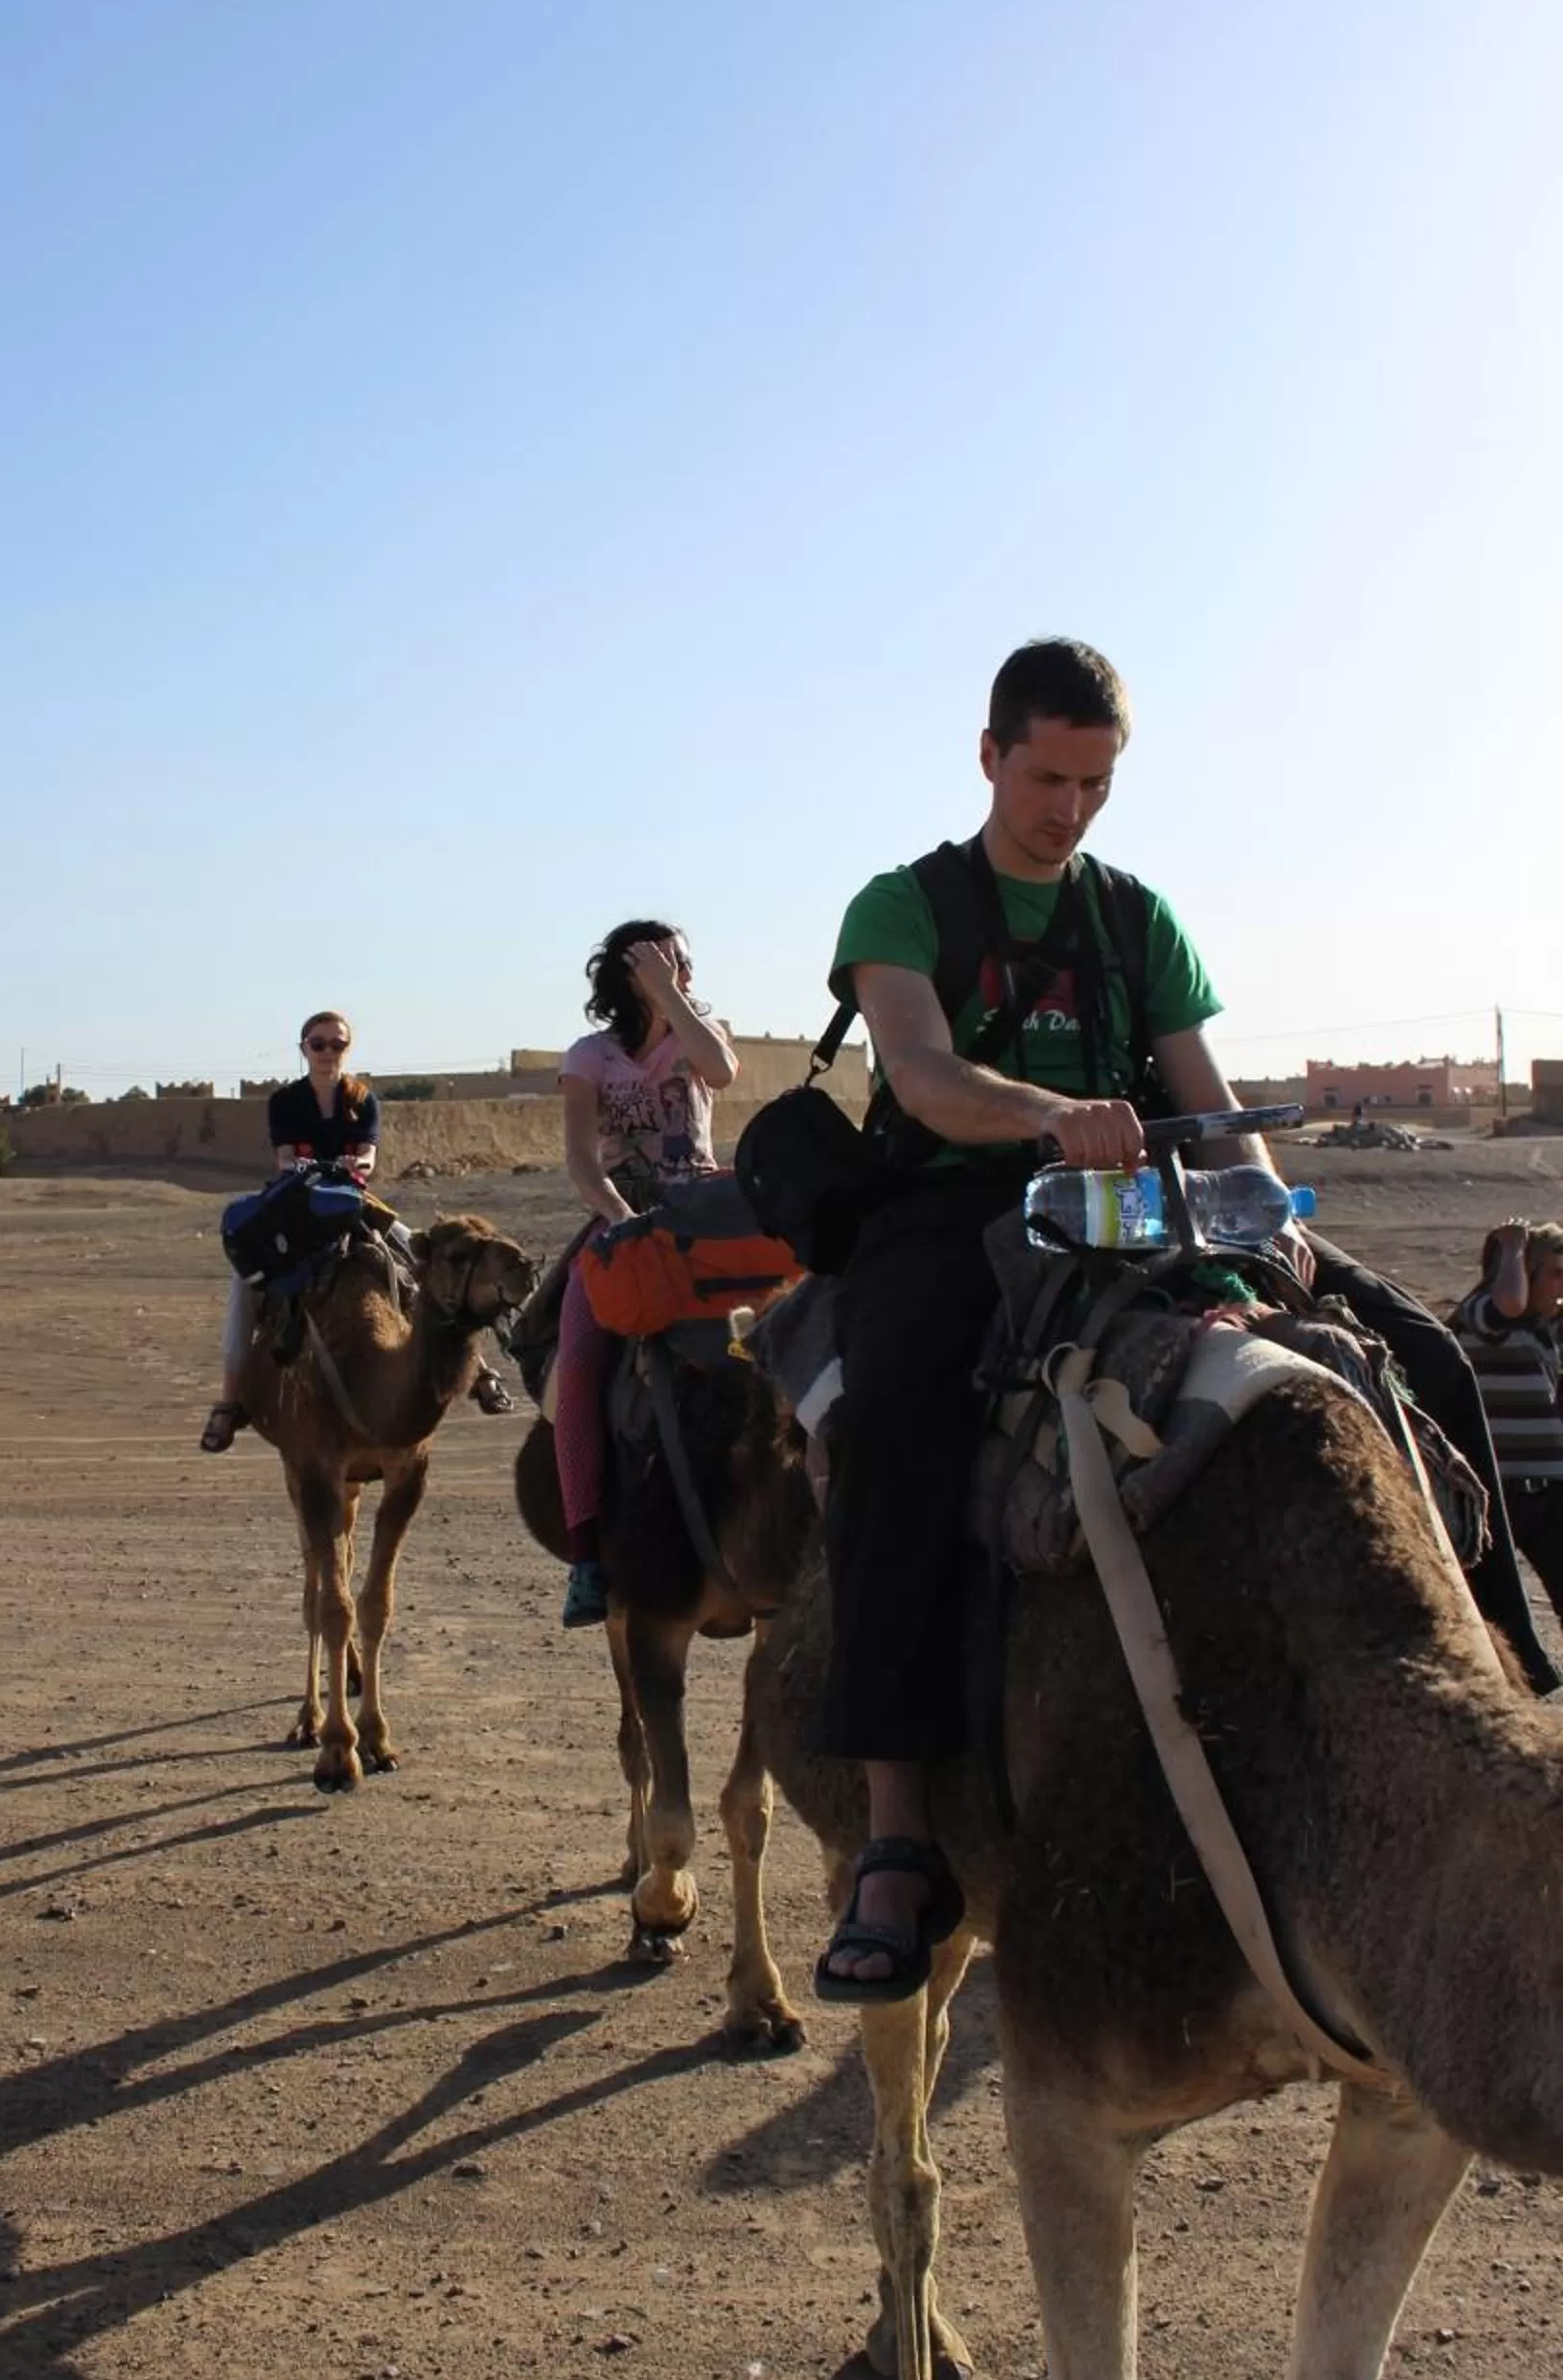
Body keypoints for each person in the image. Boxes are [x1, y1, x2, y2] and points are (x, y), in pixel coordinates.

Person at [814, 634, 1555, 2010]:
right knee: (897, 1426)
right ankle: (899, 1835)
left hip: (1142, 1207)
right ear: (990, 757)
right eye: (1048, 777)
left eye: (1097, 783)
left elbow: (1207, 1104)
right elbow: (917, 1073)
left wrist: (1271, 1230)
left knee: (1426, 1356)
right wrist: (1050, 1116)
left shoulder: (1134, 919)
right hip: (953, 1210)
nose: (1071, 809)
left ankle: (1511, 1721)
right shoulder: (904, 906)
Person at [199, 1012, 513, 1451]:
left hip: (352, 1203)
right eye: (318, 1043)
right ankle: (229, 1401)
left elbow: (367, 1158)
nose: (328, 1052)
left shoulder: (363, 1100)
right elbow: (285, 1160)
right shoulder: (286, 1101)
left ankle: (478, 1371)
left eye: (336, 1044)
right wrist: (316, 1168)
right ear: (304, 1048)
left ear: (347, 1048)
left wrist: (354, 1167)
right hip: (296, 1203)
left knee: (422, 1260)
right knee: (243, 1287)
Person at [553, 921, 739, 1627]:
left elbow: (718, 1072)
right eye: (663, 962)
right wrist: (621, 1217)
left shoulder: (702, 1033)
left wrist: (671, 995)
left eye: (684, 961)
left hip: (703, 1208)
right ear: (624, 973)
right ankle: (585, 1556)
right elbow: (581, 1159)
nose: (681, 971)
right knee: (577, 1367)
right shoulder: (590, 1056)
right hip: (622, 1215)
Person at [1451, 1221, 1563, 1625]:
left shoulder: (1548, 1327)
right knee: (1489, 1612)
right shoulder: (1484, 1319)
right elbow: (1508, 1305)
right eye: (1553, 1274)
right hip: (1496, 1492)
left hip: (1552, 1491)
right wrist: (1514, 1248)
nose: (1560, 1286)